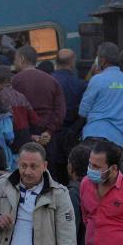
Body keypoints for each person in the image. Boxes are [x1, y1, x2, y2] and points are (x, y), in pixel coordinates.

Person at [78, 42, 123, 147]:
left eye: (97, 56)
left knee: (92, 164)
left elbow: (83, 111)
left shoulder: (97, 79)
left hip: (94, 135)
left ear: (103, 59)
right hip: (118, 140)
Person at [11, 45, 66, 147]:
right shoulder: (52, 81)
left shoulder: (14, 81)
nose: (14, 63)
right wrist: (49, 131)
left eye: (15, 59)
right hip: (48, 135)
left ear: (22, 58)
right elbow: (60, 111)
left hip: (25, 135)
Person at [49, 49, 88, 181]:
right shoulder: (79, 84)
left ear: (56, 62)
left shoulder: (49, 81)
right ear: (72, 63)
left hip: (51, 134)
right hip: (71, 134)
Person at [0, 65, 40, 148]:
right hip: (25, 135)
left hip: (9, 137)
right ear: (11, 79)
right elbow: (34, 118)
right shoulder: (21, 96)